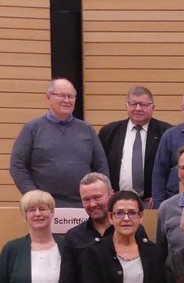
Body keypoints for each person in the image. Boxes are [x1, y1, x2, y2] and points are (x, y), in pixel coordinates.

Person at [9, 78, 110, 207]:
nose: (66, 100)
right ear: (48, 97)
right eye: (61, 96)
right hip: (44, 206)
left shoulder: (87, 130)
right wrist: (33, 196)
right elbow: (17, 166)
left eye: (70, 96)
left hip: (83, 205)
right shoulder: (32, 129)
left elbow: (101, 167)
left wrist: (96, 197)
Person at [98, 86, 171, 206]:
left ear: (153, 107)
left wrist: (160, 195)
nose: (138, 108)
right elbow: (100, 166)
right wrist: (108, 191)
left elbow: (171, 168)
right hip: (117, 201)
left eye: (143, 104)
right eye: (133, 104)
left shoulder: (166, 133)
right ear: (127, 106)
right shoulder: (109, 132)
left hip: (152, 202)